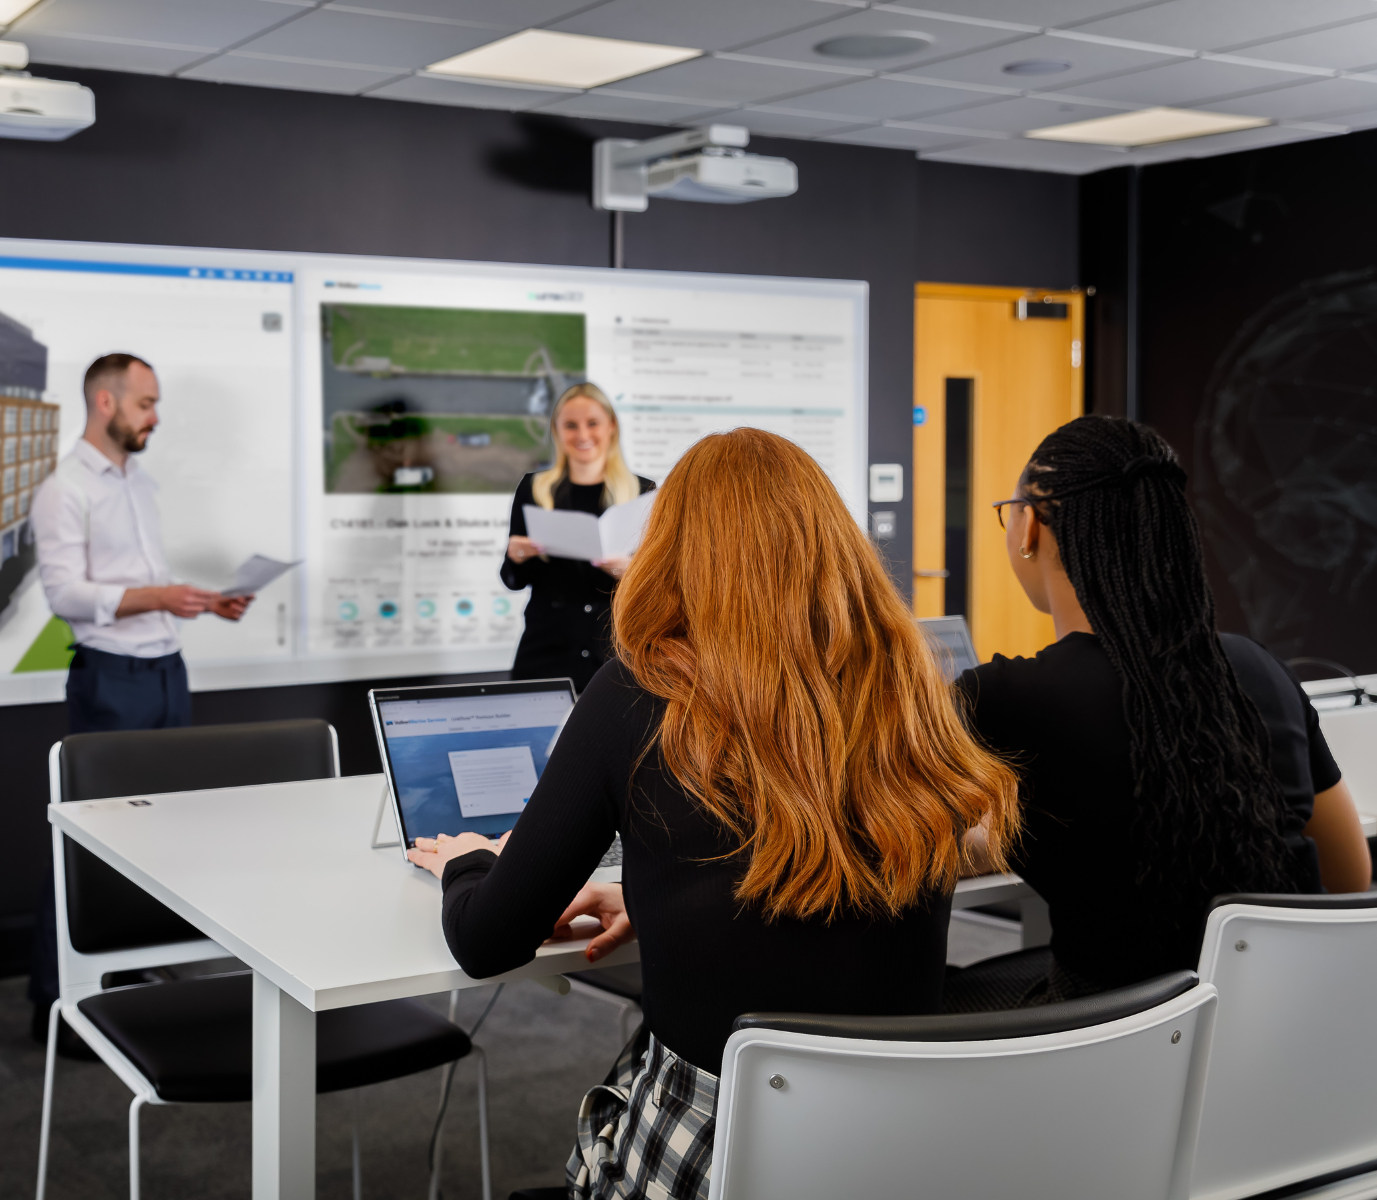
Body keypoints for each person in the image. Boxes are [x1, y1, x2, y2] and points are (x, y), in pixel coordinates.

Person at [408, 428, 1020, 1198]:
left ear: (672, 550)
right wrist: (659, 895)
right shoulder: (905, 689)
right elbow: (810, 845)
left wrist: (470, 861)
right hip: (908, 1145)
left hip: (717, 1144)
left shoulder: (638, 695)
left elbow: (487, 941)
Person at [948, 415, 1369, 1011]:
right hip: (1281, 1023)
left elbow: (893, 841)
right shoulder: (1256, 669)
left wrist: (994, 841)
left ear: (1030, 526)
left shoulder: (1004, 699)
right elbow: (1347, 878)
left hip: (1111, 1043)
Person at [23, 352, 254, 1041]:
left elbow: (142, 580)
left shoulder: (137, 480)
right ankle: (54, 1005)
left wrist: (203, 603)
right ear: (105, 403)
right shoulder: (65, 489)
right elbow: (65, 595)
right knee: (90, 842)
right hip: (111, 680)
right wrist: (157, 596)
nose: (155, 416)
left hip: (163, 670)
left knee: (157, 836)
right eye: (145, 404)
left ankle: (121, 980)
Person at [502, 383, 655, 691]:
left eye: (593, 423)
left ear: (611, 427)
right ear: (557, 431)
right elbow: (513, 580)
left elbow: (657, 585)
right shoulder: (533, 489)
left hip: (616, 653)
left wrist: (632, 572)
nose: (582, 435)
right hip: (546, 649)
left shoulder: (644, 492)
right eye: (570, 426)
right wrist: (516, 557)